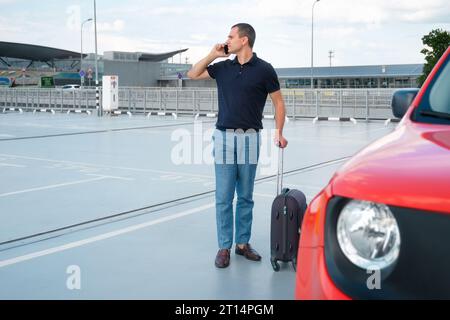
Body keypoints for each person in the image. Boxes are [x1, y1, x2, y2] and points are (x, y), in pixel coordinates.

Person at [187, 23, 288, 268]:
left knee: (245, 196)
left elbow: (278, 103)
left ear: (244, 40)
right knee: (223, 197)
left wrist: (279, 132)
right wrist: (213, 54)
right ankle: (224, 247)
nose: (227, 40)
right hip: (223, 138)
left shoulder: (265, 70)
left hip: (251, 138)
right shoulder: (222, 67)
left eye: (231, 37)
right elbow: (192, 74)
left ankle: (242, 244)